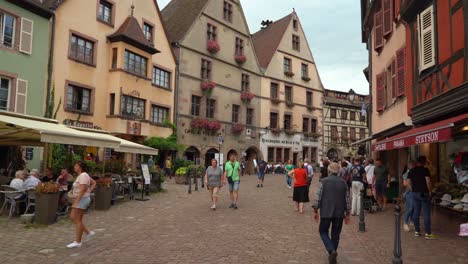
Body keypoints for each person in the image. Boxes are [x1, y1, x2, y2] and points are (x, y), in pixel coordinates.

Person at [313, 162, 351, 264]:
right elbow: (347, 199)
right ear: (338, 172)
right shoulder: (343, 183)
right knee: (336, 234)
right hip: (339, 212)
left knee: (323, 231)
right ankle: (333, 253)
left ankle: (331, 250)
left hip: (326, 211)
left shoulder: (323, 181)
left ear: (329, 171)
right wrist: (348, 212)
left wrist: (315, 210)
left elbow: (318, 197)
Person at [67, 161, 96, 248]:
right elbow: (93, 183)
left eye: (76, 165)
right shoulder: (83, 175)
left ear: (80, 167)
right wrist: (89, 191)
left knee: (77, 219)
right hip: (81, 199)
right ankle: (88, 232)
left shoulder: (83, 175)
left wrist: (76, 202)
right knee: (74, 218)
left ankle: (78, 242)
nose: (74, 166)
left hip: (81, 199)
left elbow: (83, 189)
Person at [408, 156, 435, 239]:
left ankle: (417, 231)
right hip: (424, 193)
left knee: (416, 212)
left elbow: (408, 182)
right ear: (424, 162)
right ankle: (428, 233)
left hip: (415, 193)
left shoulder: (412, 170)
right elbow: (428, 181)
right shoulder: (425, 170)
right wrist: (430, 191)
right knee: (426, 213)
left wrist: (412, 189)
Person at [402, 160, 415, 232]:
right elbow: (404, 184)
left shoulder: (414, 172)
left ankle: (412, 222)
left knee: (412, 208)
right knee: (410, 208)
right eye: (412, 165)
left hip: (412, 192)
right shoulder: (407, 173)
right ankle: (405, 223)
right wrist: (411, 185)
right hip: (409, 192)